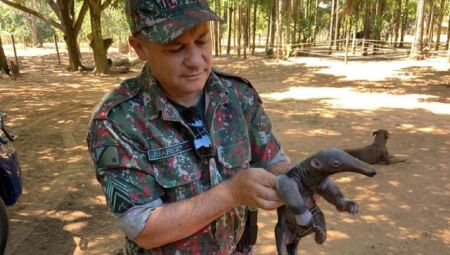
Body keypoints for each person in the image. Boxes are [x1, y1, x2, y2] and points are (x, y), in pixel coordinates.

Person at [86, 0, 292, 254]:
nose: (195, 60)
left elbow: (273, 159)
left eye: (202, 40)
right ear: (140, 48)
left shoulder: (238, 95)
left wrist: (300, 180)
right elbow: (141, 227)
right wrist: (231, 194)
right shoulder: (117, 121)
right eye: (176, 48)